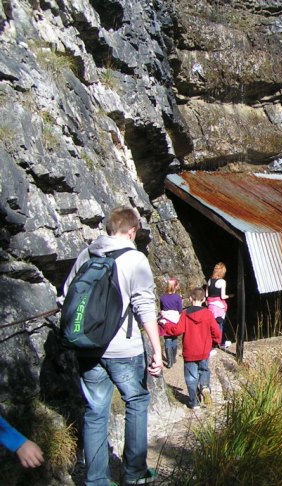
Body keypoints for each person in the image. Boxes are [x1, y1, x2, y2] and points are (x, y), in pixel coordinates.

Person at [63, 206, 162, 486]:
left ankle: (96, 480)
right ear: (132, 231)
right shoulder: (135, 259)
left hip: (88, 348)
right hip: (124, 351)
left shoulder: (87, 254)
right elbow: (143, 307)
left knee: (95, 411)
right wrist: (156, 349)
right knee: (137, 401)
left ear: (109, 229)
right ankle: (134, 472)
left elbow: (67, 296)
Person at [165, 287, 222, 409]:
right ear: (204, 299)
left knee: (191, 377)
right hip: (204, 351)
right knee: (204, 370)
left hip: (190, 352)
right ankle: (205, 387)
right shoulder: (208, 313)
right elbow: (216, 331)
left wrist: (167, 327)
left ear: (190, 298)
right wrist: (216, 342)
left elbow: (178, 330)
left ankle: (194, 402)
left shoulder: (185, 314)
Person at [159, 277, 182, 369]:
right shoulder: (177, 297)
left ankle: (169, 362)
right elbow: (180, 310)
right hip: (175, 321)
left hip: (166, 321)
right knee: (174, 339)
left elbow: (161, 309)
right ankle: (174, 357)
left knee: (167, 340)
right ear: (175, 287)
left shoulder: (162, 297)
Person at [207, 263, 229, 341]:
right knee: (220, 323)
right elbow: (223, 296)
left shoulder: (209, 281)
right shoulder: (222, 281)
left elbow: (207, 294)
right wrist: (229, 296)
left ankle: (212, 341)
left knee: (211, 325)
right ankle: (219, 341)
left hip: (210, 306)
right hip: (218, 306)